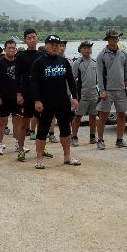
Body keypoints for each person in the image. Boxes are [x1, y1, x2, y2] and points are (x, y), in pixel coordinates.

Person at [30, 35, 80, 168]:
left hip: (63, 101)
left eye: (57, 44)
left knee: (65, 130)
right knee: (42, 131)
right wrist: (37, 100)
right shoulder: (39, 62)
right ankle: (39, 159)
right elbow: (33, 83)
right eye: (51, 44)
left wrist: (74, 97)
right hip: (45, 102)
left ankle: (67, 157)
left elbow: (71, 80)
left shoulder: (63, 61)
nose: (54, 46)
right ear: (46, 45)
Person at [96, 29, 127, 150]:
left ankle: (120, 140)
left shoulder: (123, 53)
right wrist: (102, 90)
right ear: (108, 39)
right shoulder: (102, 55)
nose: (115, 39)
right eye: (112, 37)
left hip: (121, 89)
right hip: (107, 90)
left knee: (121, 115)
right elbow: (99, 74)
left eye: (117, 37)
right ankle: (100, 140)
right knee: (103, 115)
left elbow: (126, 71)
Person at [14, 29, 41, 161]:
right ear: (25, 40)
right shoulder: (20, 57)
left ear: (37, 38)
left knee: (42, 122)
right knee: (23, 124)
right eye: (29, 38)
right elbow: (17, 77)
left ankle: (42, 148)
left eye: (34, 37)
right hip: (25, 94)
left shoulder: (42, 55)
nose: (32, 40)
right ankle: (20, 149)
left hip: (40, 95)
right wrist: (18, 94)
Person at [0, 39, 19, 156]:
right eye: (9, 48)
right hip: (3, 97)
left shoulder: (19, 62)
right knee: (2, 120)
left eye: (13, 48)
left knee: (17, 121)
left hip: (17, 97)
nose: (11, 50)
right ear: (5, 49)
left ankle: (19, 143)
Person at [71, 41, 99, 146]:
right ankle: (74, 136)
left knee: (93, 116)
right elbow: (73, 80)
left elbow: (98, 79)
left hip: (94, 94)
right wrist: (74, 95)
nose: (88, 50)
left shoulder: (94, 62)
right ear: (80, 50)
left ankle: (92, 137)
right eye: (85, 48)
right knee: (78, 116)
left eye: (89, 48)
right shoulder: (77, 63)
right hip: (81, 94)